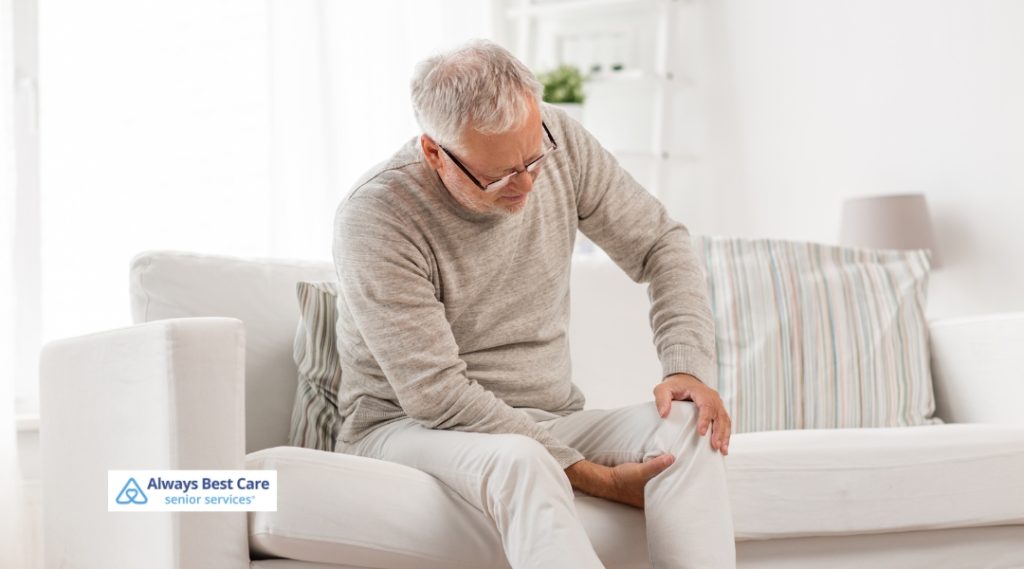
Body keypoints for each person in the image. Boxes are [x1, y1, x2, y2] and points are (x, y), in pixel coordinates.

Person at [332, 38, 735, 569]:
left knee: (689, 426)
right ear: (434, 152)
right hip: (407, 429)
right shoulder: (378, 216)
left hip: (550, 416)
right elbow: (437, 395)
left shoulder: (557, 136)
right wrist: (596, 478)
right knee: (523, 459)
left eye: (533, 159)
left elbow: (662, 243)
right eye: (497, 175)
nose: (525, 184)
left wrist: (687, 366)